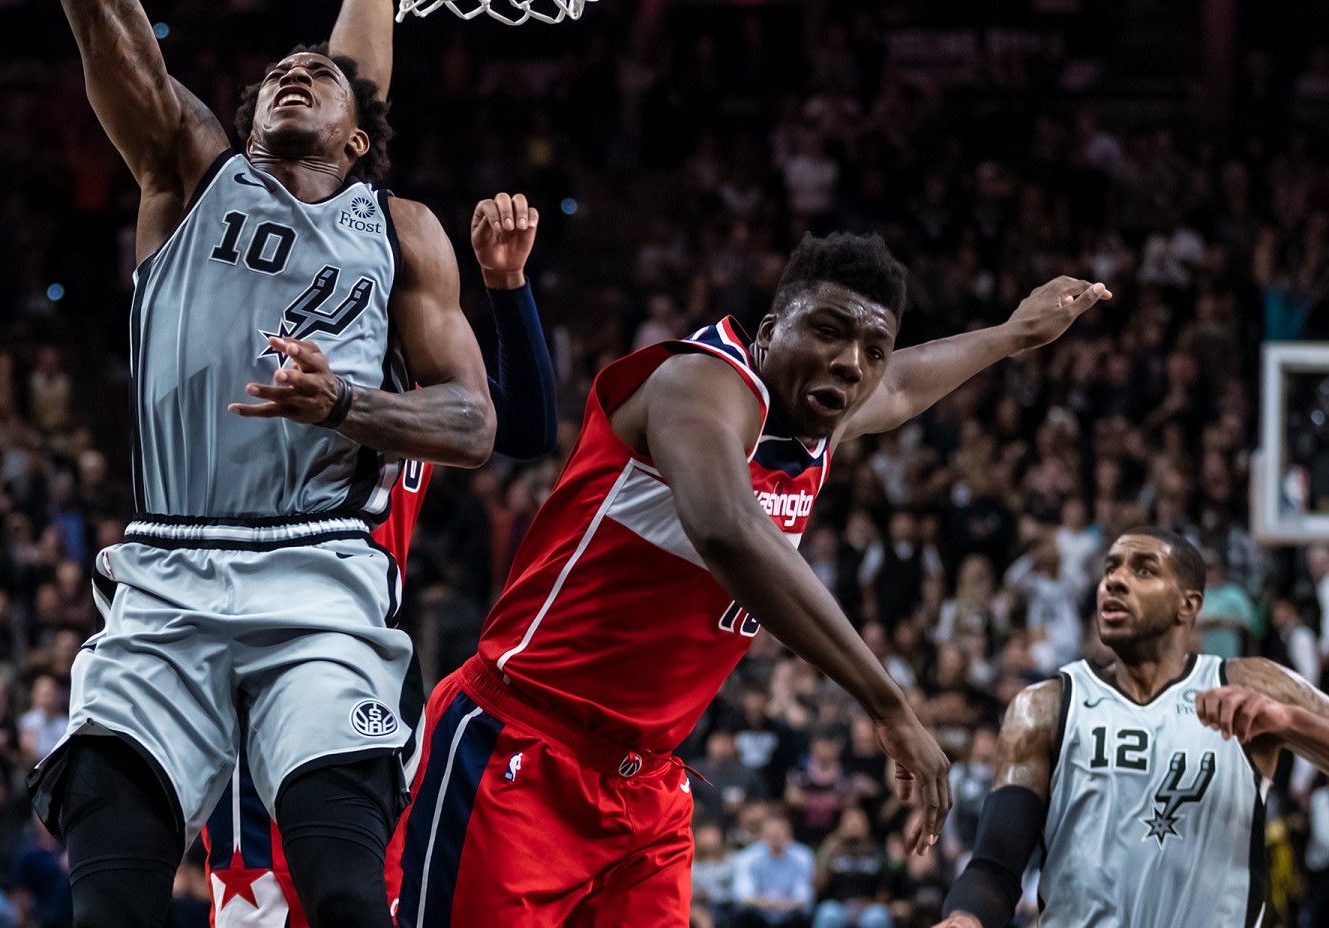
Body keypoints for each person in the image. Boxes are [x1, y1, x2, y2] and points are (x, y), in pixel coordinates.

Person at [20, 0, 495, 928]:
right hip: (166, 573)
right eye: (278, 72)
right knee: (109, 902)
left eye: (318, 74)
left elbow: (474, 424)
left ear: (360, 139)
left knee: (343, 894)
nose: (295, 71)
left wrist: (345, 405)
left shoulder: (402, 230)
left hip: (318, 581)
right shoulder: (190, 174)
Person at [396, 232, 1111, 926]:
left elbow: (904, 381)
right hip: (523, 745)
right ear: (770, 331)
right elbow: (727, 529)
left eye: (870, 349)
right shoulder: (700, 381)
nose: (850, 364)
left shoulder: (823, 416)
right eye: (827, 332)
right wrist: (889, 704)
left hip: (645, 787)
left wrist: (1015, 333)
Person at [205, 191, 558, 925]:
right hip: (271, 636)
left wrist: (506, 285)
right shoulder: (295, 357)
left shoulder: (430, 389)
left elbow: (527, 429)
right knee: (260, 904)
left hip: (368, 651)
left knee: (368, 897)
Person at [933, 529, 1329, 928]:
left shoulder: (1250, 686)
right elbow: (995, 865)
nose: (1115, 580)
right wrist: (966, 918)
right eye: (1110, 568)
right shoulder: (1044, 707)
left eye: (1143, 570)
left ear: (1188, 604)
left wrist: (1289, 722)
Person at [730, 812, 816, 928]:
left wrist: (784, 906)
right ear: (762, 836)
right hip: (758, 913)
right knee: (741, 914)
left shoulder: (803, 856)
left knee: (803, 915)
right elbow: (741, 896)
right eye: (771, 834)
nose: (775, 838)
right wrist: (764, 904)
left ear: (789, 835)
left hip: (790, 913)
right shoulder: (747, 857)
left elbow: (804, 897)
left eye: (779, 834)